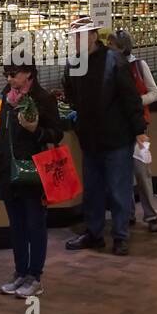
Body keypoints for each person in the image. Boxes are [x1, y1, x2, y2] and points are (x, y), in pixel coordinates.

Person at [62, 18, 147, 255]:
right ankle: (94, 233)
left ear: (93, 36)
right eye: (74, 36)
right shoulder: (73, 64)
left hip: (116, 137)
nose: (77, 40)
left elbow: (131, 97)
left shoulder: (114, 61)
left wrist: (139, 130)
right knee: (93, 189)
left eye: (81, 35)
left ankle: (120, 236)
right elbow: (71, 94)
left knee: (118, 190)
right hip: (90, 138)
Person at [0, 64, 63, 296]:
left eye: (14, 74)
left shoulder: (43, 99)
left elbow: (56, 133)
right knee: (17, 225)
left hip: (33, 171)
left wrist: (36, 130)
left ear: (29, 73)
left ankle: (35, 276)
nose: (10, 79)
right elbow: (3, 131)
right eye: (7, 75)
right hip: (9, 169)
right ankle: (20, 272)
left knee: (35, 224)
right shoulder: (7, 95)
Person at [110, 31, 157, 233]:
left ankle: (151, 215)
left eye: (113, 45)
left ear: (123, 47)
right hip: (117, 127)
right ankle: (128, 212)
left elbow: (154, 92)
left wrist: (135, 102)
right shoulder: (110, 67)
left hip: (139, 126)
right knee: (122, 173)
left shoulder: (139, 66)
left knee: (141, 171)